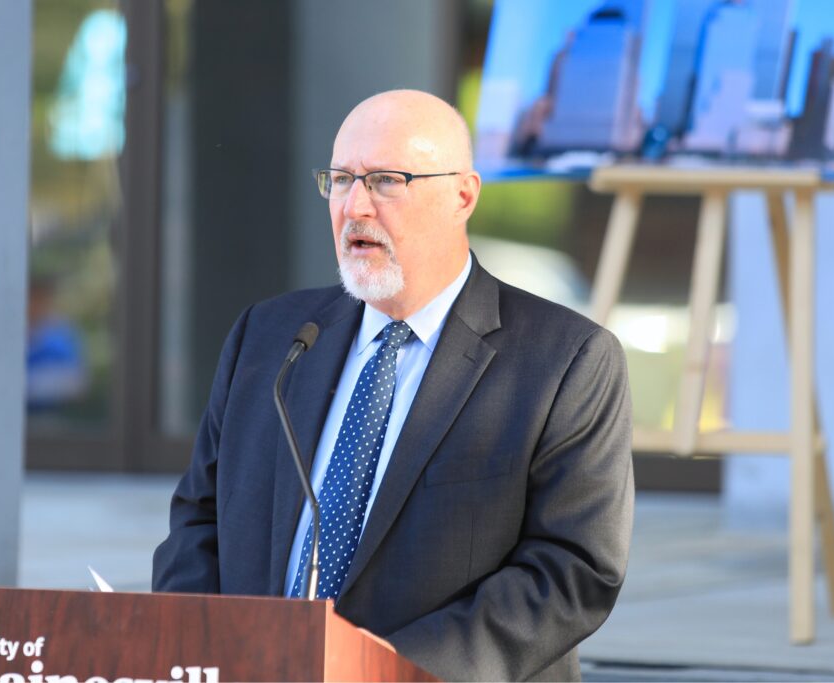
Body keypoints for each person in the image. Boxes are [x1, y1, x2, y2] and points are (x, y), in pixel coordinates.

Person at [153, 89, 633, 681]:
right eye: (340, 180)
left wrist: (377, 672)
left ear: (462, 196)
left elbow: (571, 572)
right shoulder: (270, 338)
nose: (355, 206)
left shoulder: (565, 361)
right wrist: (199, 649)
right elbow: (197, 523)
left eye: (385, 181)